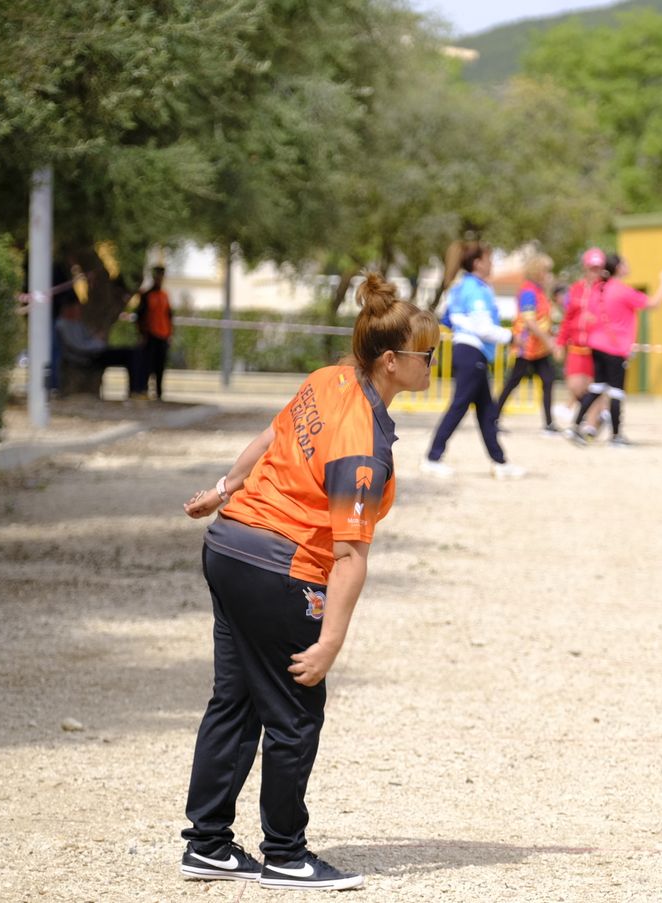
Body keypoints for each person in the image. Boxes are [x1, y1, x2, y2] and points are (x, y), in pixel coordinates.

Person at [178, 273, 438, 891]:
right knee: (294, 714)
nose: (433, 364)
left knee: (236, 699)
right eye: (426, 355)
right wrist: (330, 642)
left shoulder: (329, 379)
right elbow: (349, 555)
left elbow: (271, 436)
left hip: (230, 548)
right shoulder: (361, 447)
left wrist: (223, 490)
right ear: (390, 362)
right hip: (278, 568)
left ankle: (208, 843)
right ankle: (286, 855)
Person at [421, 244, 527, 479]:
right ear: (478, 263)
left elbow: (449, 318)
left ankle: (500, 462)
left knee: (486, 411)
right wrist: (511, 337)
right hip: (472, 352)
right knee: (459, 407)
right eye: (489, 259)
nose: (492, 264)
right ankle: (432, 457)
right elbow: (483, 328)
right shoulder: (476, 290)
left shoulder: (461, 287)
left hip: (468, 351)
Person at [569, 254, 662, 447]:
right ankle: (616, 436)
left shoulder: (599, 289)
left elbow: (589, 316)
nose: (627, 265)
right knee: (616, 392)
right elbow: (654, 303)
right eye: (624, 263)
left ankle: (575, 426)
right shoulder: (623, 291)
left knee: (597, 388)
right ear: (618, 268)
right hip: (615, 347)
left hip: (596, 345)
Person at [494, 253, 559, 434]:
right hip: (527, 347)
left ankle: (549, 423)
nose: (549, 275)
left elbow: (543, 318)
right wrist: (549, 341)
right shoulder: (529, 291)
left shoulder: (539, 291)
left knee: (548, 380)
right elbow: (529, 321)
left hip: (540, 348)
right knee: (513, 381)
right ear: (538, 272)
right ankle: (493, 418)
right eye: (546, 271)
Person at [556, 247, 607, 431]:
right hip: (577, 347)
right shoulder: (576, 289)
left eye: (598, 268)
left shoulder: (605, 290)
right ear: (585, 268)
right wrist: (560, 342)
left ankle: (591, 425)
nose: (595, 272)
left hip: (597, 348)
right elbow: (568, 318)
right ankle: (599, 414)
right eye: (591, 268)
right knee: (575, 386)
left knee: (594, 388)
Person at [53, 301, 135, 382]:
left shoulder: (75, 323)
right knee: (128, 356)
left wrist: (97, 338)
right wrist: (99, 344)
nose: (79, 312)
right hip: (86, 356)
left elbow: (88, 335)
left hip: (93, 351)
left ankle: (136, 387)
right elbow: (80, 346)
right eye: (76, 309)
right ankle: (136, 388)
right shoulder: (63, 325)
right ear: (68, 309)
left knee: (131, 353)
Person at [131, 265, 173, 400]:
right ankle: (143, 390)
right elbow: (140, 316)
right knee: (148, 364)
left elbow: (169, 316)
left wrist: (170, 334)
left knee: (160, 366)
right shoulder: (146, 295)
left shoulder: (165, 295)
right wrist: (142, 334)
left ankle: (159, 393)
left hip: (163, 335)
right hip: (150, 335)